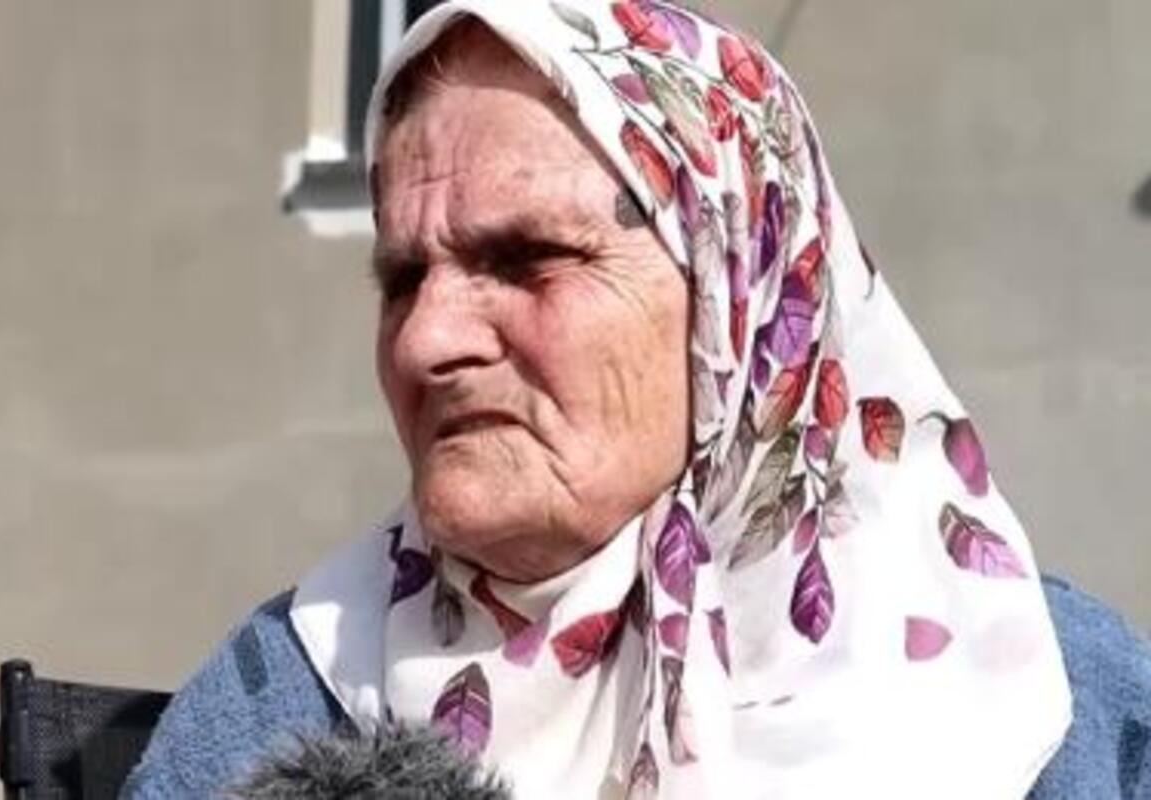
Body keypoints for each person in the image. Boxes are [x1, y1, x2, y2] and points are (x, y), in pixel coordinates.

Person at [121, 1, 1151, 797]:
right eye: (401, 278)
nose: (427, 340)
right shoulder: (288, 695)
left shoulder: (1055, 702)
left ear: (738, 301)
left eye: (526, 259)